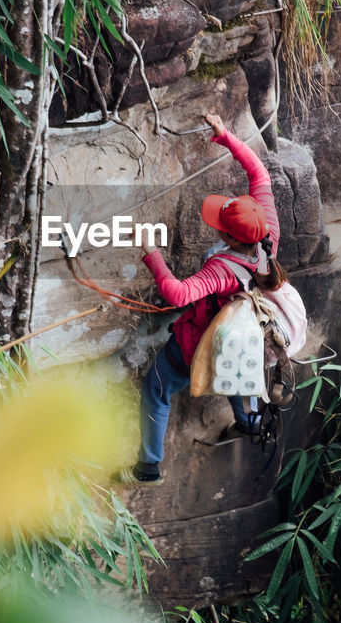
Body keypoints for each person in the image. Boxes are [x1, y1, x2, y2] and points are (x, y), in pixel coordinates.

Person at [115, 113, 287, 486]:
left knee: (157, 387)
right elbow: (259, 174)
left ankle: (148, 468)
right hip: (250, 334)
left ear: (229, 238)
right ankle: (249, 424)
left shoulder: (223, 269)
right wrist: (225, 136)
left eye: (220, 224)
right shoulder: (267, 231)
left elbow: (177, 294)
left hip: (200, 343)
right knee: (240, 369)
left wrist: (150, 252)